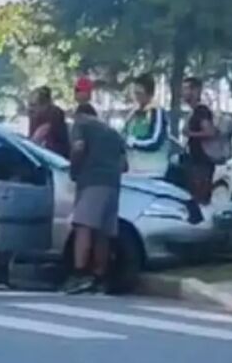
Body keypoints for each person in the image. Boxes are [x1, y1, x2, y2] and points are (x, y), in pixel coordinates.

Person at [64, 106, 127, 294]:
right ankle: (100, 277)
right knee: (103, 232)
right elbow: (124, 165)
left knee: (83, 227)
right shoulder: (113, 133)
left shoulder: (81, 125)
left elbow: (78, 148)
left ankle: (80, 274)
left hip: (91, 181)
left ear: (79, 114)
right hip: (112, 184)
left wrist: (74, 170)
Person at [123, 74, 170, 177]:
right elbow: (125, 134)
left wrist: (133, 142)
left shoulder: (157, 112)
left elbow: (155, 141)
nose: (136, 97)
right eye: (135, 93)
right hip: (133, 170)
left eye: (140, 93)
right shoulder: (133, 113)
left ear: (149, 93)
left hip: (153, 171)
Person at [182, 77, 216, 205]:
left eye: (186, 89)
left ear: (195, 91)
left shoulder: (201, 111)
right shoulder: (194, 111)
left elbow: (210, 132)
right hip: (196, 162)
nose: (183, 92)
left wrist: (190, 134)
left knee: (200, 199)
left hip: (202, 163)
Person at [28, 86, 70, 158]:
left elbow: (39, 137)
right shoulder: (34, 117)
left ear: (45, 105)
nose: (30, 109)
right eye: (29, 105)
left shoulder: (54, 114)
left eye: (33, 105)